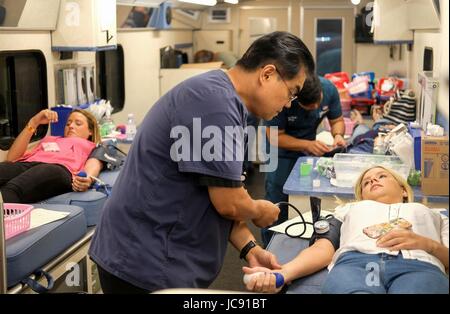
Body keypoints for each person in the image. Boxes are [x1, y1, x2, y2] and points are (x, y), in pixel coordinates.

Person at [89, 31, 316, 293]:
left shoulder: (226, 103)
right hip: (143, 263)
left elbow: (217, 192)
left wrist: (250, 248)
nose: (289, 105)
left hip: (155, 255)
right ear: (267, 74)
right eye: (291, 92)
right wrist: (259, 211)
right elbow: (229, 203)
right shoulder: (213, 104)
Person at [244, 166, 449, 294]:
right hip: (355, 266)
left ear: (404, 189)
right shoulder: (348, 210)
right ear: (362, 197)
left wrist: (427, 244)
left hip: (419, 266)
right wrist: (282, 274)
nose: (373, 181)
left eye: (381, 176)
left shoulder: (434, 215)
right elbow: (322, 249)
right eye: (366, 183)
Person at [261, 75, 346, 247]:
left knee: (304, 199)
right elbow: (274, 136)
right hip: (279, 152)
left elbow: (337, 120)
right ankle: (269, 249)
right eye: (308, 107)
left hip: (308, 153)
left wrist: (337, 135)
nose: (315, 109)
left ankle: (300, 246)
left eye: (318, 104)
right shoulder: (281, 96)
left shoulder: (329, 89)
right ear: (294, 97)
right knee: (277, 203)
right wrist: (307, 144)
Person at [0, 109, 103, 203]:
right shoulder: (50, 139)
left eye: (78, 123)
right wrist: (34, 122)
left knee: (11, 189)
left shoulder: (91, 146)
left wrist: (88, 179)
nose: (71, 126)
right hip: (28, 164)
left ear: (90, 131)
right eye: (68, 123)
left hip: (58, 169)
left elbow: (95, 162)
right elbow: (11, 158)